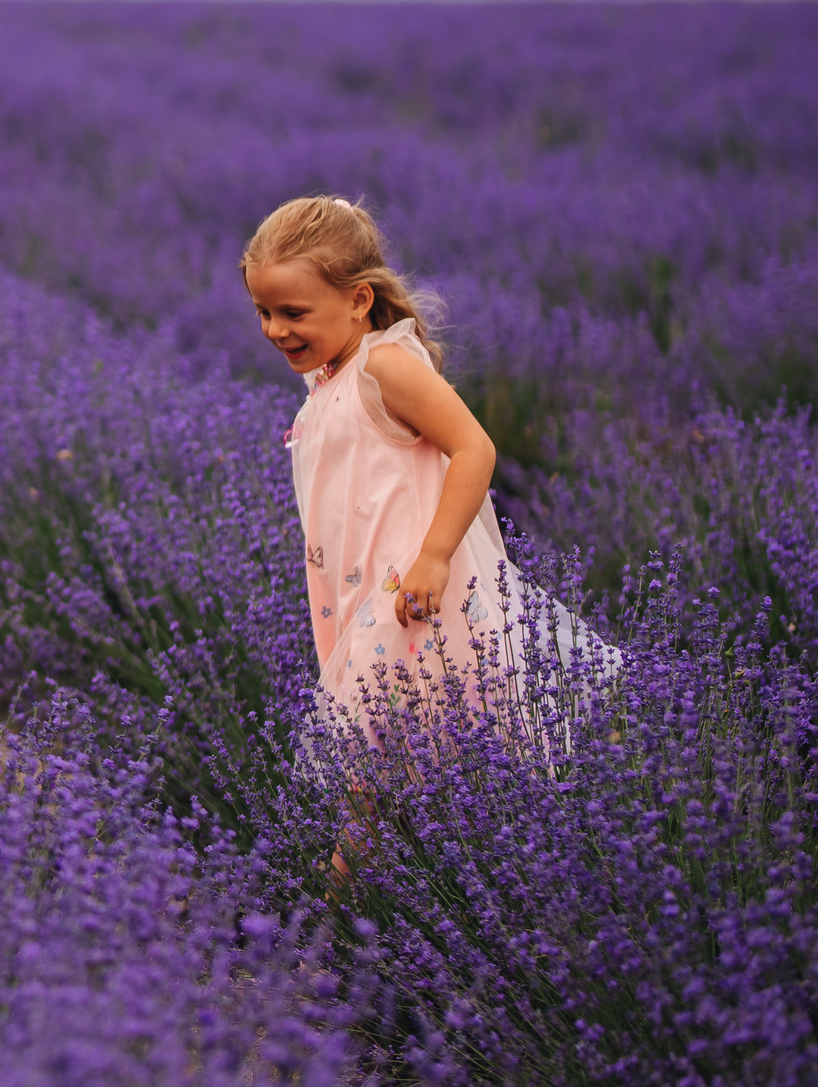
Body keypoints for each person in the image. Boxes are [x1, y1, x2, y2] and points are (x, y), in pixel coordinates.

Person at [243, 195, 607, 724]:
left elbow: (474, 448)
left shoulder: (384, 366)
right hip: (359, 593)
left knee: (410, 752)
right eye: (263, 312)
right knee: (385, 759)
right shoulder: (328, 376)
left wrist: (435, 556)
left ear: (358, 301)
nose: (276, 330)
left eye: (293, 314)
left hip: (412, 594)